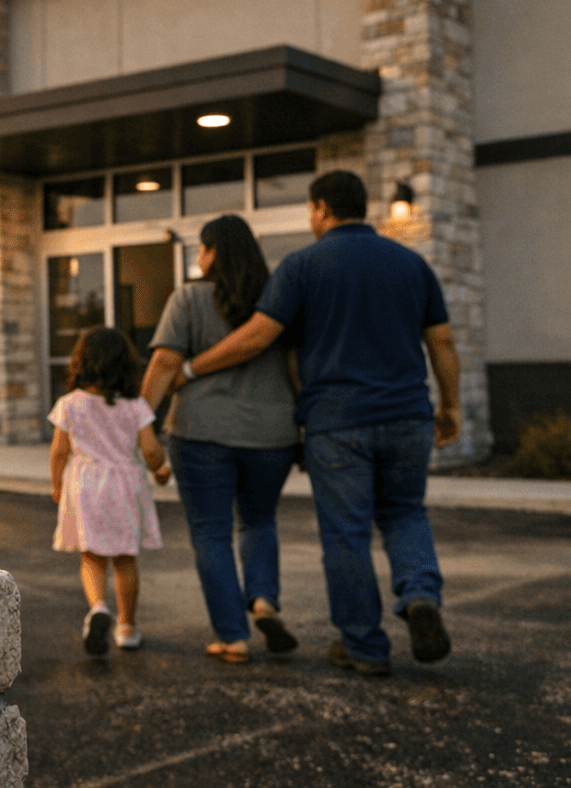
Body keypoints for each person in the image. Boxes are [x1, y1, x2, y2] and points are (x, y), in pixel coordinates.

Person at [169, 170, 461, 676]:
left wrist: (193, 367)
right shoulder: (413, 264)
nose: (310, 219)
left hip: (337, 422)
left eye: (310, 210)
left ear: (322, 208)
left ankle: (365, 647)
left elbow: (259, 336)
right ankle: (419, 594)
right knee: (405, 512)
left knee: (346, 534)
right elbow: (442, 344)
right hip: (408, 416)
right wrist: (450, 406)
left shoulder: (302, 266)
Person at [141, 214, 301, 664]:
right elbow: (297, 370)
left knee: (211, 534)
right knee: (259, 520)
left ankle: (232, 636)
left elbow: (164, 366)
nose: (199, 257)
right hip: (273, 434)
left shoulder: (188, 299)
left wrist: (141, 424)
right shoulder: (276, 302)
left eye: (202, 248)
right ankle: (264, 599)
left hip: (201, 433)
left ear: (212, 253)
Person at [50, 327, 172, 657]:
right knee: (124, 558)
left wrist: (57, 484)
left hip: (85, 483)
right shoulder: (135, 406)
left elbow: (60, 452)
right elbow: (150, 450)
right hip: (124, 486)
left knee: (91, 555)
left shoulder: (69, 404)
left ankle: (99, 608)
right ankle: (128, 627)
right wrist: (160, 469)